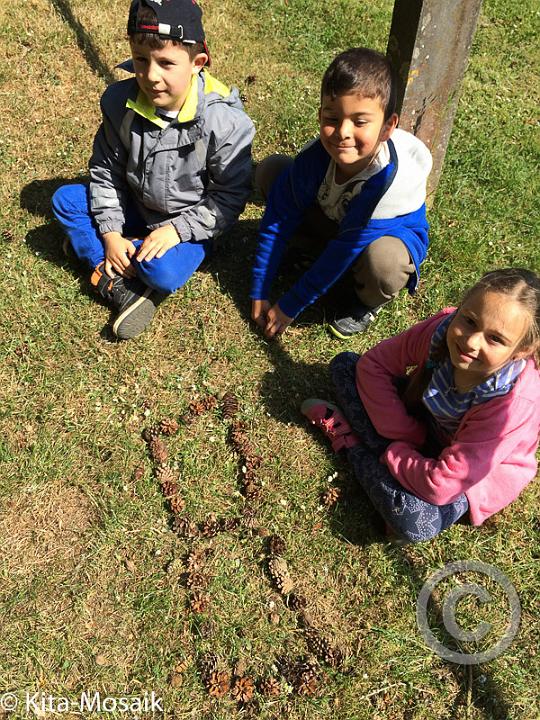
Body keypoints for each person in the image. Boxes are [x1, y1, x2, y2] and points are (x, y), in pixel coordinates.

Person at [52, 0, 254, 340]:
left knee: (161, 272)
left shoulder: (226, 123)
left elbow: (229, 197)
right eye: (141, 59)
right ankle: (114, 274)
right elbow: (105, 171)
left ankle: (102, 254)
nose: (151, 75)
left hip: (187, 223)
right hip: (136, 205)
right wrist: (111, 233)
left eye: (166, 63)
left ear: (197, 63)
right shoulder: (119, 102)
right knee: (65, 200)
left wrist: (177, 230)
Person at [301, 269, 540, 543]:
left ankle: (351, 444)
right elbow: (373, 365)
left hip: (467, 476)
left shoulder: (511, 405)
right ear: (461, 306)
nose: (471, 341)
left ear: (523, 350)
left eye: (495, 339)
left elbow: (441, 487)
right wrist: (406, 433)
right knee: (346, 366)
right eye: (469, 320)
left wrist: (394, 451)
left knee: (415, 523)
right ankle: (386, 473)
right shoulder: (441, 331)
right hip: (423, 422)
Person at [251, 47, 432, 340]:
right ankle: (312, 256)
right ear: (320, 114)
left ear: (387, 127)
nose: (342, 132)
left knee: (385, 264)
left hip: (371, 243)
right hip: (336, 223)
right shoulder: (316, 156)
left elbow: (344, 250)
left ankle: (366, 301)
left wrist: (289, 306)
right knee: (272, 171)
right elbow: (278, 218)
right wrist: (259, 290)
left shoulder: (388, 182)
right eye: (332, 118)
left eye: (360, 122)